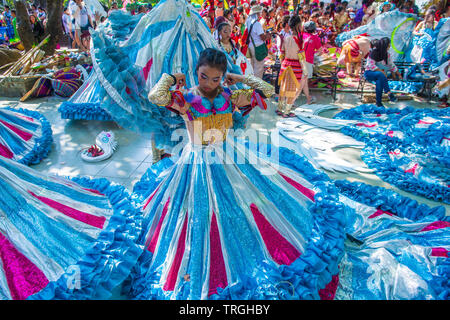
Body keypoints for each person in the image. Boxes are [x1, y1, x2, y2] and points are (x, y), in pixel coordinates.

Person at [277, 15, 310, 117]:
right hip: (295, 68)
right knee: (292, 91)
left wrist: (283, 64)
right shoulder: (300, 41)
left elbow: (281, 55)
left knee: (283, 89)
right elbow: (301, 58)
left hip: (285, 65)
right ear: (299, 26)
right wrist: (305, 71)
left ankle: (280, 109)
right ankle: (286, 112)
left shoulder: (285, 38)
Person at [364, 37, 400, 107]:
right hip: (369, 73)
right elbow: (371, 66)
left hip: (379, 75)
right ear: (384, 46)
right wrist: (381, 72)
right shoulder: (373, 53)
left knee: (379, 81)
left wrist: (397, 72)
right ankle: (388, 92)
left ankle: (379, 102)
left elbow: (391, 65)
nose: (389, 47)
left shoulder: (387, 54)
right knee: (380, 74)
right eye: (388, 45)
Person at [245, 5, 270, 78]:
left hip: (251, 46)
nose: (260, 15)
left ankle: (252, 85)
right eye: (259, 13)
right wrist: (268, 35)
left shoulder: (248, 21)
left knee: (253, 66)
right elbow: (262, 37)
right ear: (257, 14)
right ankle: (257, 86)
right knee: (258, 68)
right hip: (258, 47)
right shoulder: (257, 24)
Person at [302, 21, 321, 102]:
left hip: (298, 60)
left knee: (302, 80)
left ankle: (308, 98)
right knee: (304, 81)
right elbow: (320, 51)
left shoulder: (301, 35)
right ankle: (306, 98)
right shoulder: (315, 38)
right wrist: (313, 54)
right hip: (308, 61)